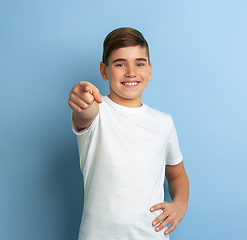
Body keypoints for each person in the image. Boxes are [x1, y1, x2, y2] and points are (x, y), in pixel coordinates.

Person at [68, 27, 189, 240]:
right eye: (120, 64)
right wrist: (81, 94)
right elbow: (85, 111)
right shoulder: (98, 112)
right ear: (104, 71)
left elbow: (177, 173)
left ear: (150, 71)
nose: (131, 72)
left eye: (139, 63)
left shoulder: (163, 123)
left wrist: (180, 204)